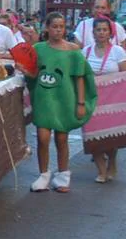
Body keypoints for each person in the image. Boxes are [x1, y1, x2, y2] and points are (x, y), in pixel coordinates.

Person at [27, 12, 97, 194]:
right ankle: (43, 175)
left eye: (61, 27)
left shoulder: (73, 50)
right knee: (42, 137)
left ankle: (63, 176)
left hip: (64, 99)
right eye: (54, 26)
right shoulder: (38, 49)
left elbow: (80, 77)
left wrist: (81, 103)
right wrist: (24, 69)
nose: (58, 30)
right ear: (47, 28)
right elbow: (34, 74)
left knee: (61, 137)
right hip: (44, 99)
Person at [82, 16, 126, 183]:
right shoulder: (86, 52)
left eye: (104, 30)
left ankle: (112, 161)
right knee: (93, 136)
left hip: (112, 100)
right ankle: (101, 170)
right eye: (98, 30)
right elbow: (80, 76)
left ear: (110, 33)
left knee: (110, 137)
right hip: (92, 100)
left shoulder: (117, 51)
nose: (101, 33)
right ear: (93, 32)